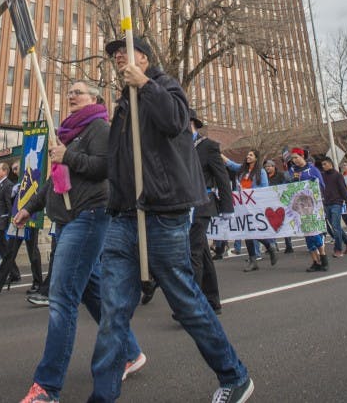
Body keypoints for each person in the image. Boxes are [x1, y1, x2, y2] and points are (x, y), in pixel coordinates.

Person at [89, 37, 253, 403]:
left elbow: (176, 120)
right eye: (114, 55)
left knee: (186, 302)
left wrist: (145, 85)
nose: (117, 57)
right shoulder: (121, 106)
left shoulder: (164, 86)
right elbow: (115, 163)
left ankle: (234, 375)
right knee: (113, 310)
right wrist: (69, 158)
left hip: (162, 214)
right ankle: (102, 396)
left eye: (125, 51)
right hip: (123, 218)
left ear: (144, 58)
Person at [15, 80, 144, 403]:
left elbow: (105, 168)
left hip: (88, 218)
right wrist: (29, 208)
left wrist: (69, 155)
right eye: (69, 91)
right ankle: (130, 351)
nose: (72, 95)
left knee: (61, 299)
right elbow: (54, 180)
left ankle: (47, 386)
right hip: (65, 220)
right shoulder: (67, 134)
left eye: (79, 91)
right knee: (93, 293)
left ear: (94, 99)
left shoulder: (100, 127)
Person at [190, 110, 233, 314]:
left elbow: (222, 177)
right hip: (185, 206)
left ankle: (193, 305)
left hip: (203, 204)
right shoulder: (178, 146)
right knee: (202, 252)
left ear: (191, 123)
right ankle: (212, 299)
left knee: (193, 252)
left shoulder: (208, 146)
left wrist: (227, 207)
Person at [223, 150, 275, 270]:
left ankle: (268, 246)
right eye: (247, 155)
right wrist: (218, 153)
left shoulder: (261, 172)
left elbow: (264, 188)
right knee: (247, 232)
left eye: (251, 155)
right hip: (242, 205)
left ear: (256, 158)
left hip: (254, 205)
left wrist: (255, 197)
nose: (248, 156)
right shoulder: (242, 170)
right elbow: (230, 164)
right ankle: (254, 260)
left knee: (252, 231)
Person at [288, 148, 328, 272]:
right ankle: (315, 261)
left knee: (315, 234)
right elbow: (290, 187)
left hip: (312, 207)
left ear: (302, 156)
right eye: (292, 158)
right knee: (307, 236)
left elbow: (321, 185)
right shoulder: (292, 170)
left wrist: (313, 185)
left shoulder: (312, 169)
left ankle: (323, 257)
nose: (294, 160)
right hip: (300, 207)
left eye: (296, 157)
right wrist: (293, 182)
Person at [11, 160, 44, 294]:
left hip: (30, 220)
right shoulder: (16, 186)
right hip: (17, 220)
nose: (15, 171)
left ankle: (38, 282)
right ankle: (0, 280)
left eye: (16, 168)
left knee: (32, 252)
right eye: (13, 169)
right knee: (11, 250)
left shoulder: (32, 179)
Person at [320, 157, 347, 259]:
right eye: (322, 164)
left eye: (325, 164)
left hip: (337, 203)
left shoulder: (338, 175)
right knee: (335, 226)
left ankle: (338, 249)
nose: (323, 166)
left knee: (335, 226)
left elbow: (343, 190)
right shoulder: (322, 176)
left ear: (330, 164)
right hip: (326, 203)